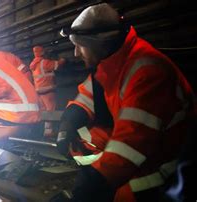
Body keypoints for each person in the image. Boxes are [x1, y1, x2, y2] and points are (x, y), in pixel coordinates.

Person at [55, 3, 195, 201]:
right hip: (142, 151)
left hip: (167, 167)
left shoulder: (147, 72)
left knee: (125, 193)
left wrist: (91, 185)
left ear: (99, 44)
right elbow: (88, 96)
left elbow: (130, 145)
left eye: (80, 45)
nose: (76, 54)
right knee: (85, 141)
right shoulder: (110, 64)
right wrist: (68, 123)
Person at [29, 46, 65, 137]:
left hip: (39, 90)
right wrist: (63, 59)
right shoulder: (44, 63)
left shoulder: (33, 64)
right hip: (48, 89)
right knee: (50, 111)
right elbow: (58, 65)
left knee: (44, 111)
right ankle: (49, 132)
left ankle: (44, 130)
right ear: (42, 53)